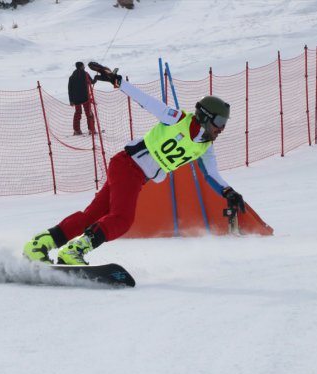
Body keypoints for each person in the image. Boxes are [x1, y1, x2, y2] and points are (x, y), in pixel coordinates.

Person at [24, 63, 247, 265]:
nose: (221, 129)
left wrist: (229, 192)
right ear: (206, 117)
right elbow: (147, 101)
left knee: (92, 215)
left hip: (134, 175)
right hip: (127, 167)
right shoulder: (177, 119)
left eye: (224, 124)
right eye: (219, 122)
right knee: (122, 219)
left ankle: (40, 244)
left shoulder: (205, 147)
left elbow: (212, 174)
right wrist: (118, 82)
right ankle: (75, 251)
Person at [68, 61, 96, 136]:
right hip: (85, 98)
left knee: (77, 113)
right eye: (83, 66)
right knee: (89, 113)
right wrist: (96, 78)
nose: (84, 67)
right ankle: (91, 129)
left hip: (76, 99)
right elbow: (91, 82)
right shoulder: (85, 74)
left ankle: (77, 130)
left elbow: (70, 89)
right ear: (81, 66)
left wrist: (71, 100)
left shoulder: (72, 77)